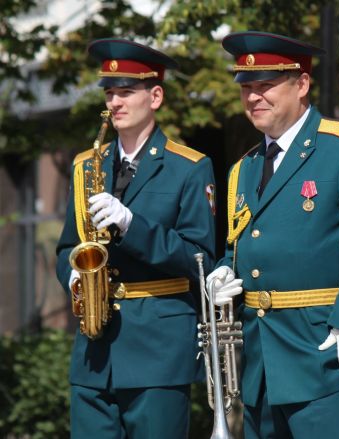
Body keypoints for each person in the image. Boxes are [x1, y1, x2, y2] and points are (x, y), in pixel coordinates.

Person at [207, 31, 339, 439]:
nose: (253, 97)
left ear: (301, 84)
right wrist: (224, 271)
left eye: (265, 86)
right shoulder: (243, 169)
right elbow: (244, 243)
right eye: (246, 87)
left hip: (326, 356)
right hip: (263, 366)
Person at [55, 38, 216, 438]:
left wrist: (133, 226)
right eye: (110, 93)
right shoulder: (84, 166)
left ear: (155, 95)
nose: (115, 103)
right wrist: (74, 278)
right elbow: (66, 247)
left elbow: (200, 259)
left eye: (126, 93)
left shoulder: (190, 167)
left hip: (159, 352)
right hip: (95, 350)